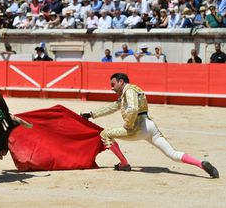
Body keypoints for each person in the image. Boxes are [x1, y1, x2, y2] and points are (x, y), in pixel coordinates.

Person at [80, 73, 219, 178]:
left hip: (138, 127)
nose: (111, 88)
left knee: (105, 134)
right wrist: (92, 114)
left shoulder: (129, 91)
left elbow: (133, 109)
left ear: (121, 82)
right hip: (150, 126)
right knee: (172, 154)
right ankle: (200, 164)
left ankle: (124, 163)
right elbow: (113, 107)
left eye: (113, 84)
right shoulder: (129, 92)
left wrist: (128, 124)